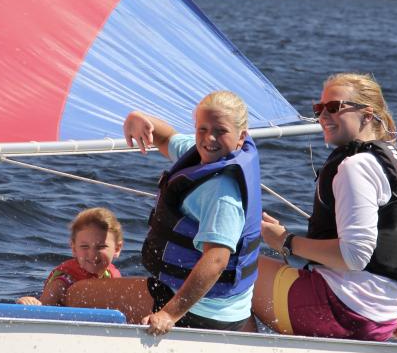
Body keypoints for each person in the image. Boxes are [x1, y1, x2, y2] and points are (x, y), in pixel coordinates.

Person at [252, 73, 397, 341]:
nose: (323, 116)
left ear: (367, 115)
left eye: (334, 107)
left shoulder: (356, 166)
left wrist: (286, 241)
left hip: (336, 312)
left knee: (222, 266)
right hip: (380, 323)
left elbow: (354, 255)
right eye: (318, 109)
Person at [64, 91, 261, 335]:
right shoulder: (205, 154)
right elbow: (166, 138)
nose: (209, 137)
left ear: (241, 136)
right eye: (202, 129)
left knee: (76, 294)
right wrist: (138, 119)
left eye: (220, 130)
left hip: (201, 312)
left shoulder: (222, 193)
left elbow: (217, 260)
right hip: (232, 309)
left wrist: (169, 313)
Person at [17, 207, 123, 306]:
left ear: (117, 249)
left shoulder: (113, 278)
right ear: (74, 249)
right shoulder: (64, 281)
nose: (92, 254)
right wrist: (29, 303)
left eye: (101, 246)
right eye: (85, 246)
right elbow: (41, 309)